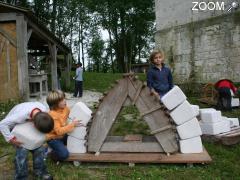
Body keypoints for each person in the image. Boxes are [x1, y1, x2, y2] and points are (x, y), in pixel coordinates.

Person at [0, 102, 54, 180]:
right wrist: (11, 139)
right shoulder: (19, 116)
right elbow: (2, 124)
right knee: (22, 151)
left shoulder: (44, 109)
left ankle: (40, 172)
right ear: (34, 125)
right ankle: (21, 177)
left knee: (39, 149)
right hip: (16, 128)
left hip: (28, 124)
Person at [46, 90, 81, 162]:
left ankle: (61, 146)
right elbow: (58, 131)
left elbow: (72, 115)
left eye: (64, 98)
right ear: (55, 104)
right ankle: (49, 152)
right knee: (64, 154)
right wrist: (72, 125)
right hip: (54, 139)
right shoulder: (52, 114)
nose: (65, 101)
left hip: (63, 135)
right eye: (61, 100)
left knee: (78, 139)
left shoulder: (65, 108)